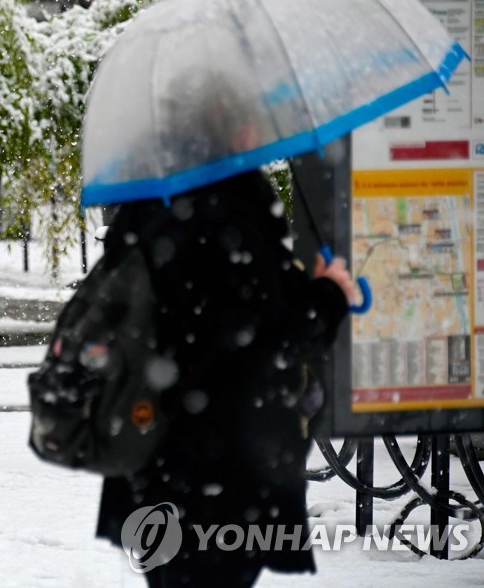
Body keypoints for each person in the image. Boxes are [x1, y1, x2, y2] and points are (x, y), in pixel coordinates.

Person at [94, 167, 357, 586]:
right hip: (222, 466)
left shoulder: (143, 204)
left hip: (153, 458)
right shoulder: (235, 207)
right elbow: (272, 334)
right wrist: (329, 294)